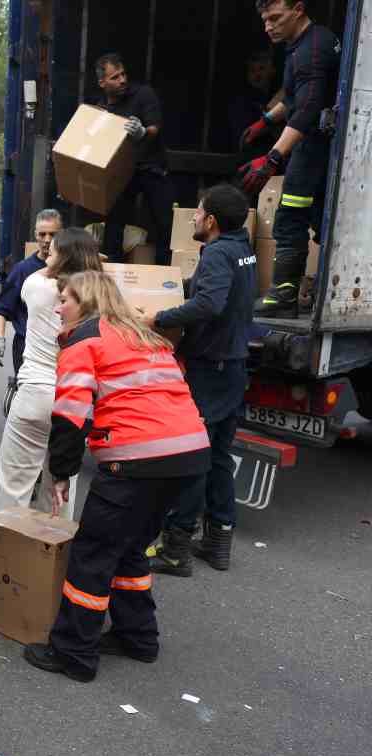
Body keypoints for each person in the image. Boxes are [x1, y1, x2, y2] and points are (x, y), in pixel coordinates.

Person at [23, 271, 211, 683]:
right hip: (189, 456)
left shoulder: (84, 340)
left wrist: (61, 474)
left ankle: (73, 653)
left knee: (93, 554)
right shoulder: (145, 337)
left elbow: (71, 416)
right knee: (129, 547)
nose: (58, 308)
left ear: (86, 302)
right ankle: (138, 638)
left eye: (66, 299)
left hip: (136, 461)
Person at [143, 185, 256, 577]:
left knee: (193, 458)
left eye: (198, 212)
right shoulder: (243, 248)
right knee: (219, 456)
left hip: (211, 370)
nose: (192, 217)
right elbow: (210, 294)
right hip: (234, 366)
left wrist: (157, 319)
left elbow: (210, 303)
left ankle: (176, 549)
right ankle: (218, 539)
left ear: (211, 221)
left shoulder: (219, 253)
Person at [0, 227, 102, 519]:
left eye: (52, 251)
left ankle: (3, 552)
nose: (45, 256)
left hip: (34, 394)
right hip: (75, 400)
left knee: (14, 484)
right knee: (60, 487)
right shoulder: (99, 298)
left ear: (63, 258)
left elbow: (36, 277)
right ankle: (51, 555)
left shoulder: (37, 285)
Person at [241, 0, 341, 317]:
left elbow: (308, 110)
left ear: (298, 10)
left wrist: (272, 158)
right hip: (317, 145)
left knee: (291, 215)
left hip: (314, 145)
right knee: (321, 218)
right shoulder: (303, 45)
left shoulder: (312, 50)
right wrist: (266, 121)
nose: (268, 26)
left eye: (275, 18)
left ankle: (283, 297)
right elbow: (294, 96)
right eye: (264, 20)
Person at [96, 53, 174, 266]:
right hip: (123, 172)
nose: (122, 80)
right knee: (114, 223)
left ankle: (164, 274)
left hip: (151, 167)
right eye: (115, 77)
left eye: (123, 74)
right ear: (102, 83)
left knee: (163, 224)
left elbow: (154, 128)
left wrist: (142, 133)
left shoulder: (143, 94)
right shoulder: (101, 109)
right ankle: (112, 269)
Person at [0, 209, 63, 373]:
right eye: (42, 234)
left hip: (62, 347)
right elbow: (1, 308)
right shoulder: (22, 270)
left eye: (53, 235)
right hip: (27, 348)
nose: (47, 240)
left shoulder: (72, 269)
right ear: (35, 235)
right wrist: (0, 340)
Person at [228, 50, 280, 163]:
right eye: (252, 70)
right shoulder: (241, 100)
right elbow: (244, 136)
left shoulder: (279, 98)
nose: (257, 75)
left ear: (272, 71)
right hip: (251, 161)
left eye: (261, 69)